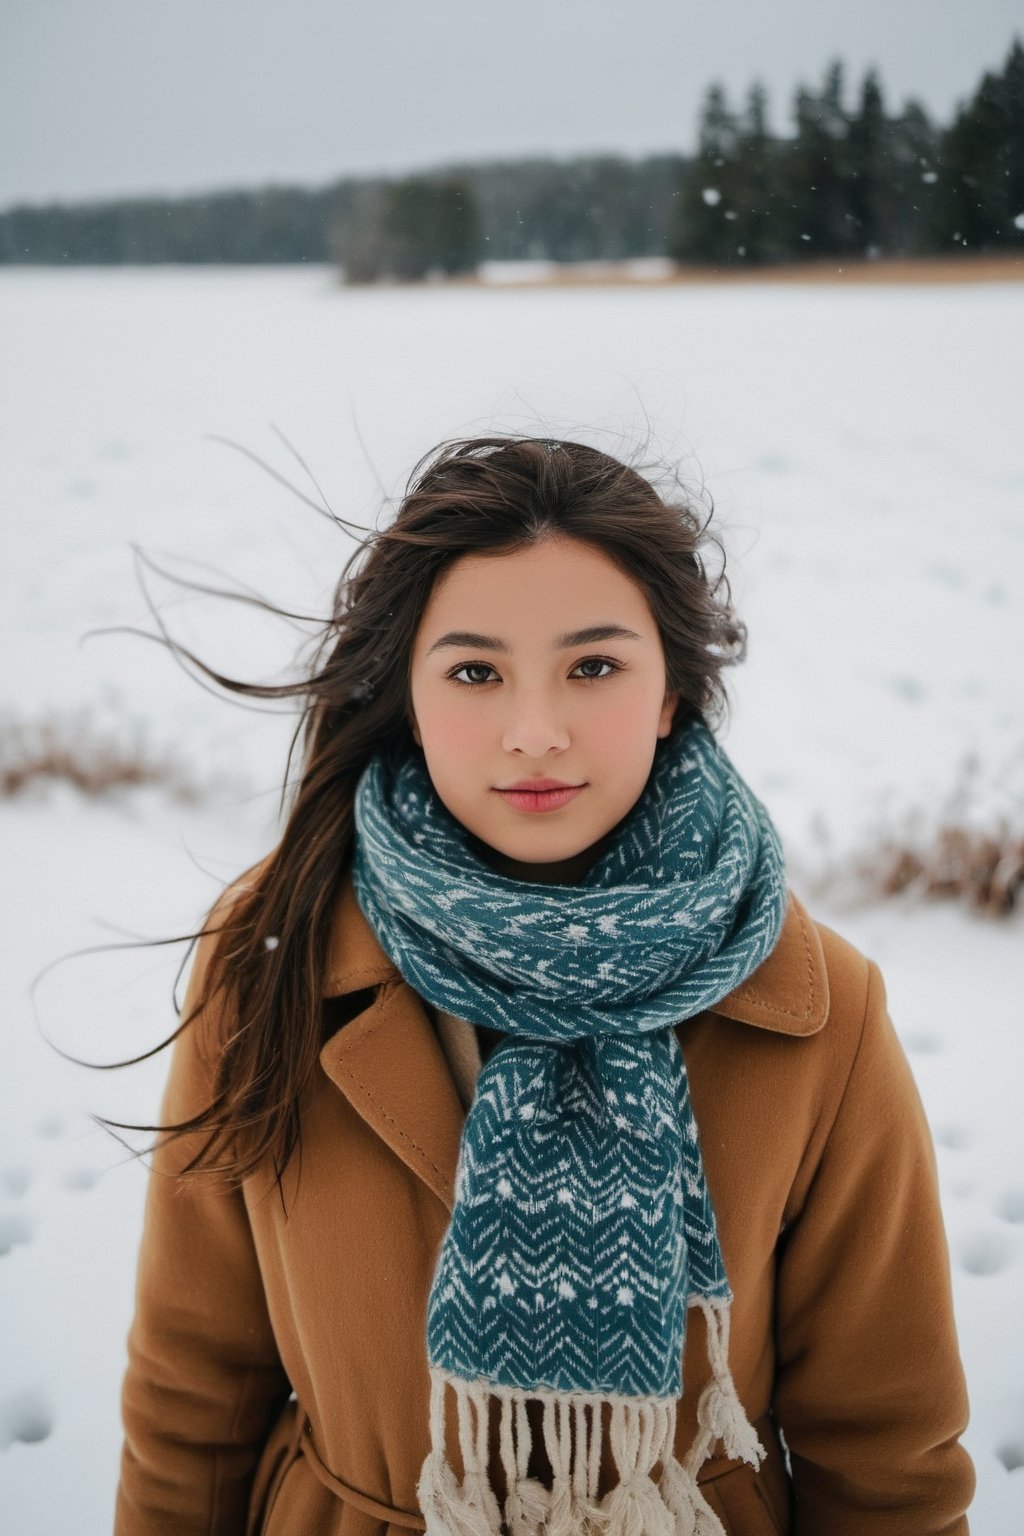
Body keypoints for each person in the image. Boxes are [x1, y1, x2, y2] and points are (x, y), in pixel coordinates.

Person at [113, 434, 975, 1536]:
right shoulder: (271, 951)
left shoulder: (817, 1010)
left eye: (595, 666)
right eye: (475, 672)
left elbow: (886, 1455)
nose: (534, 732)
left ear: (673, 694)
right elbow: (195, 1396)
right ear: (408, 695)